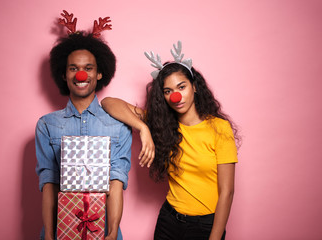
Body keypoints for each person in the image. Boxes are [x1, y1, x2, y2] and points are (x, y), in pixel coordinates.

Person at [101, 41, 240, 240]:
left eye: (181, 87)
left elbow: (227, 192)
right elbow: (108, 102)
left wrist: (215, 237)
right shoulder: (162, 125)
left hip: (205, 225)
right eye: (168, 91)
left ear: (194, 87)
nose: (176, 96)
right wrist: (143, 128)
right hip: (169, 220)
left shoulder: (219, 128)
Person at [35, 14, 149, 239]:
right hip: (60, 229)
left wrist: (113, 232)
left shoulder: (119, 125)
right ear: (64, 74)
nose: (81, 74)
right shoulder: (46, 125)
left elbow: (117, 182)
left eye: (88, 68)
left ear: (99, 74)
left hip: (102, 230)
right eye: (73, 68)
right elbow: (49, 182)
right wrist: (49, 234)